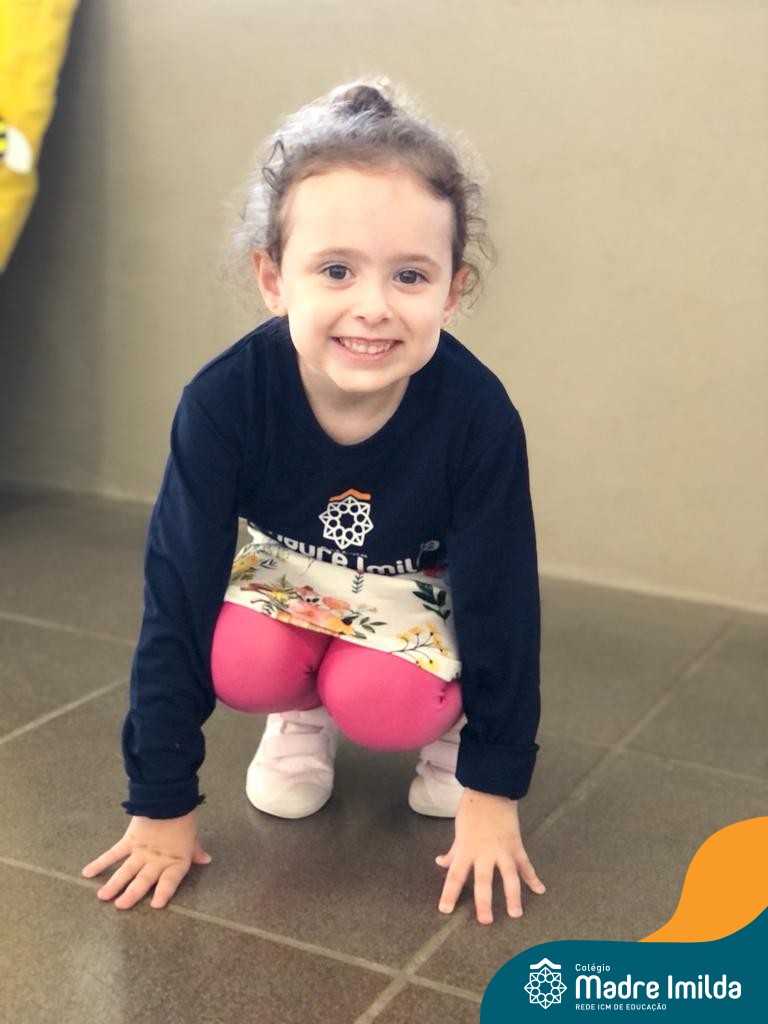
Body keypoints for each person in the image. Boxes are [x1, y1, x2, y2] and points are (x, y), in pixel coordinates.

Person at [81, 76, 547, 926]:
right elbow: (177, 592)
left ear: (451, 290)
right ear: (273, 278)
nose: (372, 308)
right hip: (298, 574)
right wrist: (160, 802)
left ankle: (446, 721)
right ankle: (302, 716)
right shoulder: (224, 401)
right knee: (238, 660)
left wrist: (494, 785)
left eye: (410, 276)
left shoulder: (478, 418)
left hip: (413, 588)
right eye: (335, 270)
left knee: (385, 704)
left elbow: (503, 598)